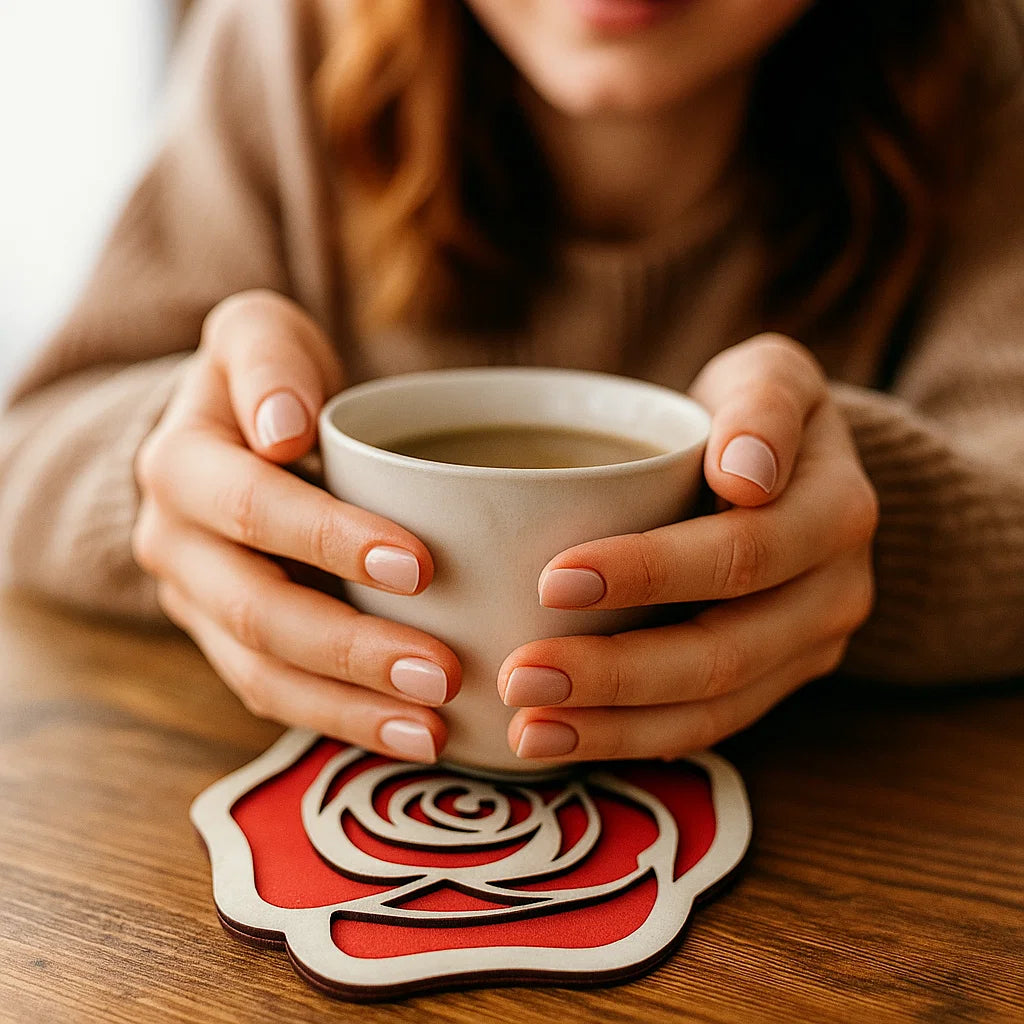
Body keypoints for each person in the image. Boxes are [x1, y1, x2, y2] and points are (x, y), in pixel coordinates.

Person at [2, 0, 1022, 767]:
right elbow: (25, 448)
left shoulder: (981, 71)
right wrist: (180, 478)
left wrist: (873, 522)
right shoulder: (292, 37)